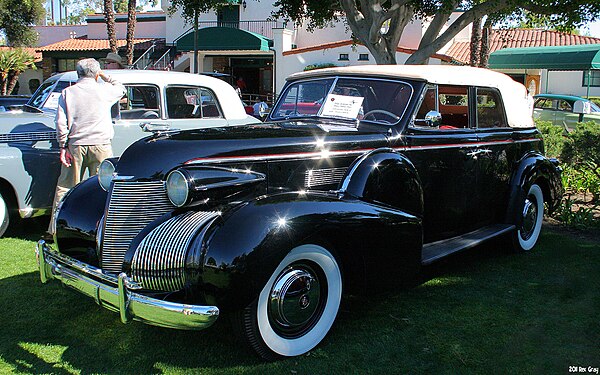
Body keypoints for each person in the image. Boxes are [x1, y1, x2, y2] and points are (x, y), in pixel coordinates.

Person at [45, 58, 126, 240]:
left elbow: (61, 123)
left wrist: (62, 145)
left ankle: (55, 229)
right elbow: (121, 87)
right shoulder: (104, 90)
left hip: (75, 145)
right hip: (101, 144)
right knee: (104, 187)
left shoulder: (68, 93)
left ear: (77, 73)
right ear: (96, 73)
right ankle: (102, 228)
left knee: (65, 187)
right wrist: (104, 75)